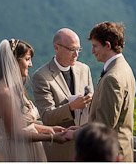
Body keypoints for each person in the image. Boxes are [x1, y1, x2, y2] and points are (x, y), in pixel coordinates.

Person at [0, 39, 72, 161]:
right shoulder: (3, 92)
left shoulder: (14, 89)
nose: (31, 64)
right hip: (16, 152)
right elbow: (15, 133)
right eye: (27, 59)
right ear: (13, 61)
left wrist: (52, 129)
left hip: (29, 148)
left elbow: (24, 125)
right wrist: (52, 138)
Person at [32, 28, 94, 161]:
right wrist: (71, 107)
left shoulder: (85, 69)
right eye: (72, 49)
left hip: (86, 147)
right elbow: (47, 117)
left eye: (79, 49)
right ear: (56, 47)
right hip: (61, 150)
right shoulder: (41, 76)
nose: (76, 54)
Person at [88, 21, 136, 162]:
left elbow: (104, 126)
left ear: (108, 46)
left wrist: (77, 133)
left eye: (95, 46)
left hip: (111, 154)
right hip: (123, 150)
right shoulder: (125, 68)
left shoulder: (112, 77)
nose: (92, 51)